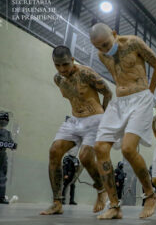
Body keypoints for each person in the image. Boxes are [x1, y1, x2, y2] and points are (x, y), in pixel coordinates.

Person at [89, 23, 156, 219]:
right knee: (100, 148)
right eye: (98, 47)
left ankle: (150, 195)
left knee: (128, 149)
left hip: (141, 98)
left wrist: (149, 93)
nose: (103, 50)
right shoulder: (101, 55)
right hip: (119, 102)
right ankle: (114, 205)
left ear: (114, 34)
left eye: (105, 44)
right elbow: (117, 76)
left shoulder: (134, 43)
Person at [40, 46, 111, 215]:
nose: (62, 69)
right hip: (75, 120)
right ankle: (57, 202)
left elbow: (107, 92)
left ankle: (101, 189)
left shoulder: (86, 73)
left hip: (95, 118)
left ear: (72, 60)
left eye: (65, 64)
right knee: (54, 151)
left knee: (85, 157)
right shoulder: (58, 79)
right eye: (58, 65)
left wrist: (104, 117)